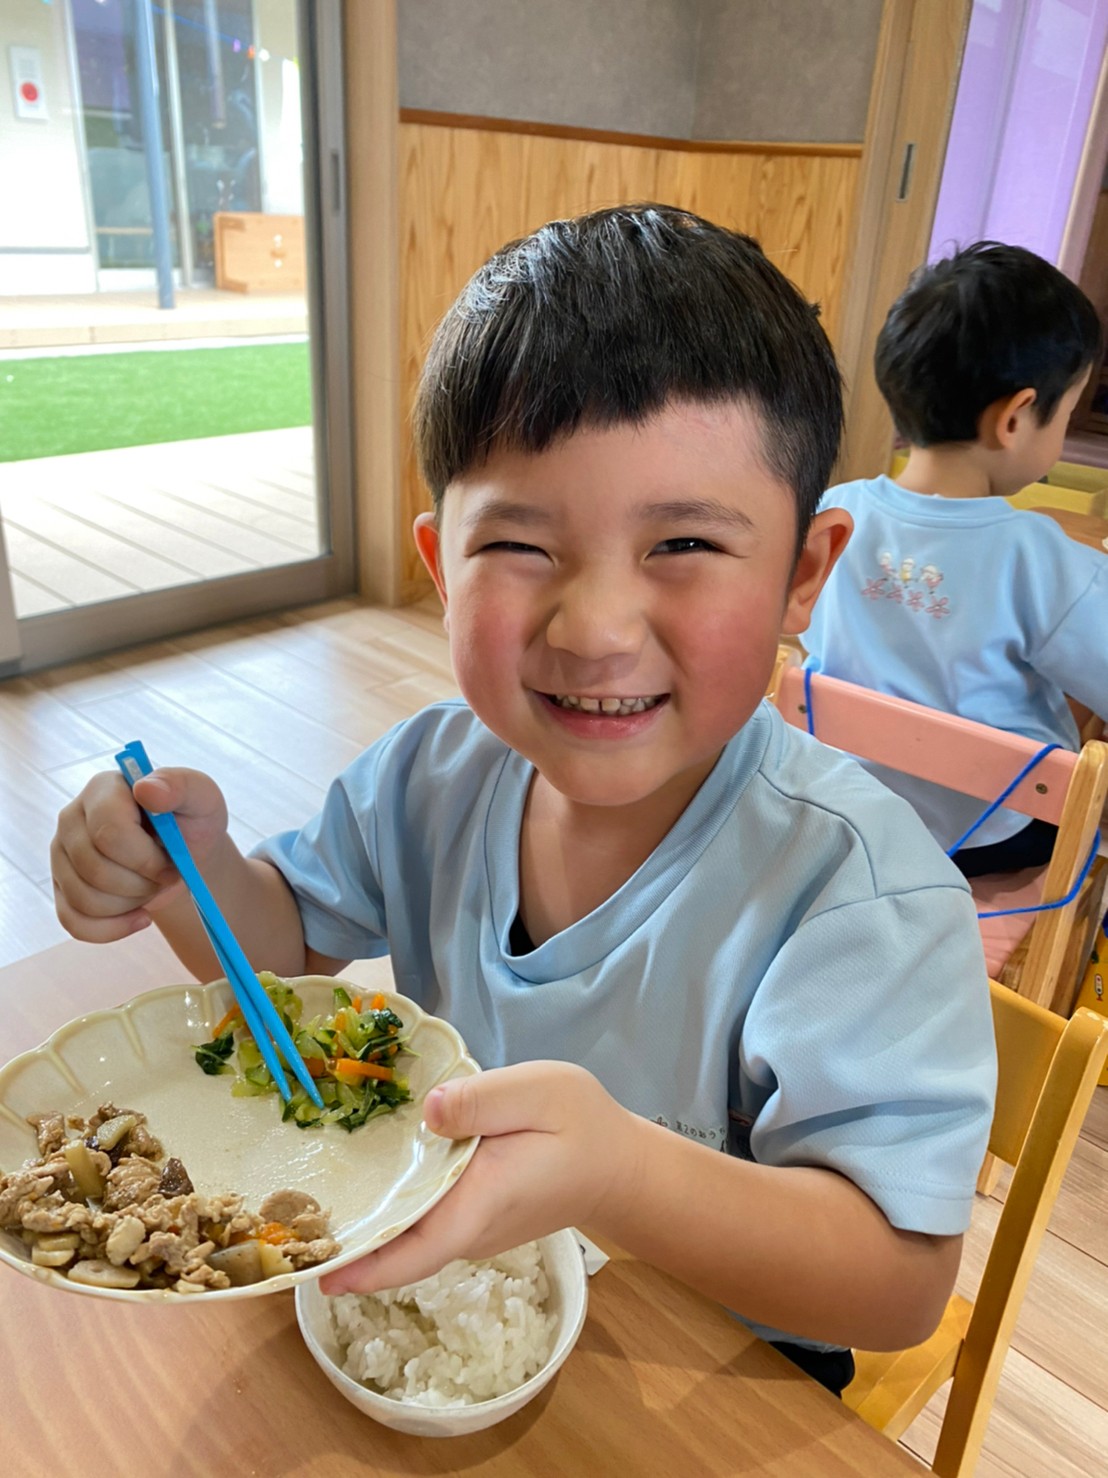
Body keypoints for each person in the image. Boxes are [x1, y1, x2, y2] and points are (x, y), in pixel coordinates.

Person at [50, 205, 995, 1396]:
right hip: (446, 1317)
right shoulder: (428, 775)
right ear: (441, 568)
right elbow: (277, 950)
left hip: (710, 1381)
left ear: (802, 574)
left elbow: (898, 1284)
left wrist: (618, 1173)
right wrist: (186, 871)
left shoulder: (855, 892)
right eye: (520, 546)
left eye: (685, 544)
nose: (594, 627)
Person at [803, 242, 1107, 875]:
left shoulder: (832, 515)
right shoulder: (1040, 560)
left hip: (843, 805)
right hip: (991, 834)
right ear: (1015, 419)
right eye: (1065, 413)